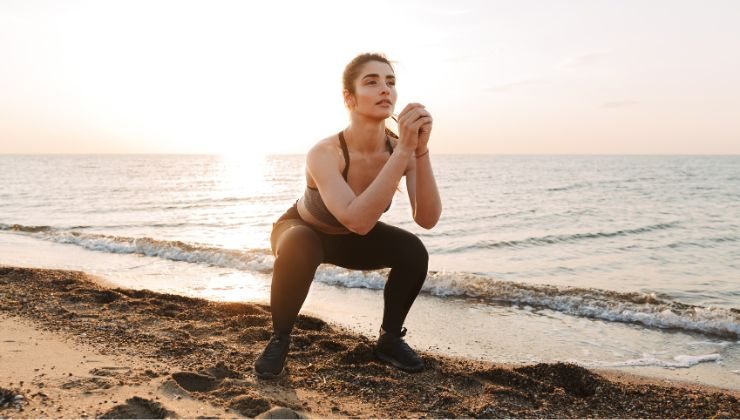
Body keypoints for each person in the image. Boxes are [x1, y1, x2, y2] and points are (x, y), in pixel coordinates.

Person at [254, 53, 442, 378]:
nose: (385, 89)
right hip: (301, 230)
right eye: (371, 82)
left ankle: (389, 339)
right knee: (301, 241)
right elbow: (356, 219)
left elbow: (427, 218)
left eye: (390, 82)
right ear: (349, 98)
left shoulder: (401, 150)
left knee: (414, 250)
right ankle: (280, 338)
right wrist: (403, 152)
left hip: (351, 240)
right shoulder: (325, 152)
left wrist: (419, 151)